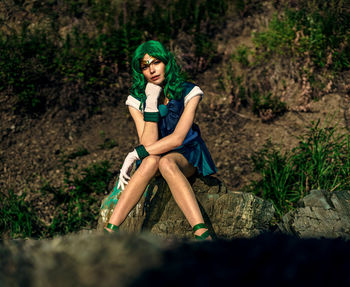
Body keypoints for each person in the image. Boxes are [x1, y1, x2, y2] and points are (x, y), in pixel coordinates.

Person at [105, 40, 217, 240]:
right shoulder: (136, 100)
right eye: (145, 66)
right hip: (153, 155)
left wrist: (133, 154)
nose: (152, 70)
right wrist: (150, 101)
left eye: (156, 62)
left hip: (186, 154)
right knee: (150, 161)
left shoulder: (189, 92)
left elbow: (177, 139)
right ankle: (110, 230)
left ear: (166, 62)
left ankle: (202, 234)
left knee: (165, 161)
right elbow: (148, 145)